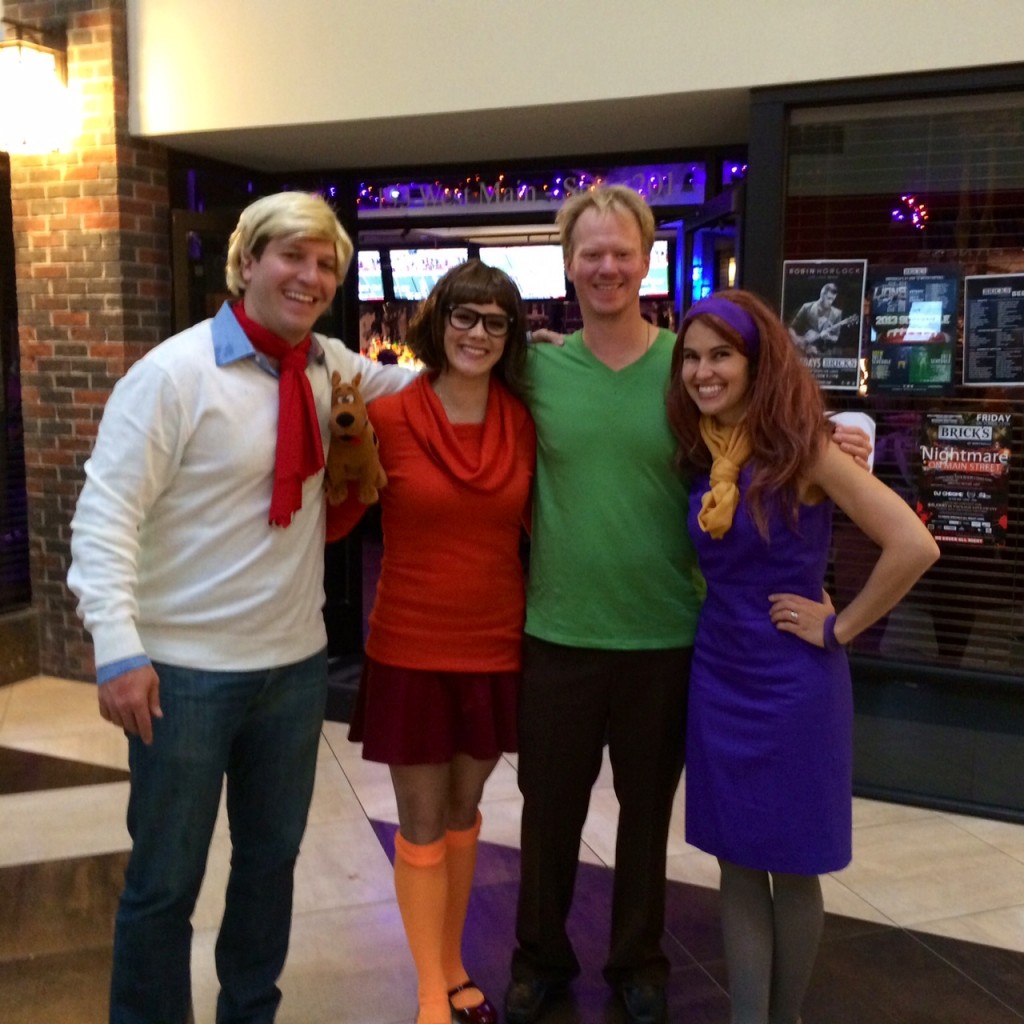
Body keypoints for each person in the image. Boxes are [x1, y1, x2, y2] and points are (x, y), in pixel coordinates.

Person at [505, 186, 874, 1024]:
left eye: (621, 252)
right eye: (590, 253)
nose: (606, 266)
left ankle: (638, 960)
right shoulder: (534, 370)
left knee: (646, 819)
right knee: (549, 812)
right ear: (568, 265)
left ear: (647, 259)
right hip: (559, 629)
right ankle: (538, 957)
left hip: (672, 635)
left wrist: (844, 435)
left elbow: (775, 430)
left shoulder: (687, 370)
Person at [66, 191, 416, 1024]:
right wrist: (118, 648)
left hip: (292, 672)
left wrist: (530, 360)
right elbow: (104, 515)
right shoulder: (172, 376)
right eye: (292, 255)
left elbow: (420, 385)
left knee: (269, 867)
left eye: (326, 262)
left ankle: (248, 1012)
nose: (310, 275)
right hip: (182, 676)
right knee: (165, 881)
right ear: (248, 262)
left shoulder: (329, 364)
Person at [665, 290, 939, 1024]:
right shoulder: (703, 450)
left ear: (757, 363)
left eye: (721, 354)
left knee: (793, 863)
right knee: (735, 861)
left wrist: (840, 626)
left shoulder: (807, 447)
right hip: (718, 670)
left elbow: (914, 544)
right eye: (691, 356)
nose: (702, 371)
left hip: (792, 682)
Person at [347, 260, 536, 1024]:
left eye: (495, 321)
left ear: (510, 334)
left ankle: (453, 961)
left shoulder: (523, 421)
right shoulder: (384, 418)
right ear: (438, 321)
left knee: (466, 812)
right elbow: (330, 516)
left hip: (496, 643)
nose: (478, 333)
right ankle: (432, 991)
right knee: (421, 821)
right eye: (464, 316)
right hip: (411, 645)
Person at [787, 281, 854, 355]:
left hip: (823, 353)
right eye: (829, 298)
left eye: (833, 299)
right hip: (803, 354)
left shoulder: (837, 313)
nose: (830, 302)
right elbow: (791, 328)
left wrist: (828, 337)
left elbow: (836, 337)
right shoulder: (807, 307)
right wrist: (797, 341)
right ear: (822, 295)